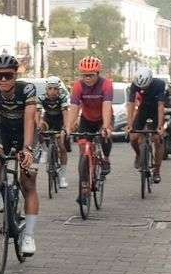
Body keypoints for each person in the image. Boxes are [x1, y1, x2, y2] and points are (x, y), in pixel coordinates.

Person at [0, 52, 40, 255]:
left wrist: (27, 150)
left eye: (8, 76)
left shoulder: (27, 89)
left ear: (15, 75)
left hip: (26, 133)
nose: (3, 80)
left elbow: (29, 121)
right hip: (3, 130)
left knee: (28, 182)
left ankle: (28, 235)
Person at [65, 55, 115, 191]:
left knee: (106, 134)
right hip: (87, 118)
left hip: (103, 117)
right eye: (84, 75)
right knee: (83, 147)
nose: (87, 78)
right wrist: (69, 127)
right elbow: (74, 108)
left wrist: (105, 126)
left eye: (91, 75)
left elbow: (106, 105)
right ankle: (85, 182)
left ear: (98, 74)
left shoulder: (106, 85)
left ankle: (106, 159)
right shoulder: (78, 86)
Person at [128, 68, 167, 179]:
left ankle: (157, 170)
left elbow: (160, 106)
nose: (142, 89)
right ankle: (139, 154)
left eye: (145, 86)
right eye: (141, 87)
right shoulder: (135, 85)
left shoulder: (159, 84)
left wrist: (160, 126)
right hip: (143, 110)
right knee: (132, 137)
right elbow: (130, 104)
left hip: (155, 111)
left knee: (157, 139)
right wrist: (129, 124)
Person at [39, 75, 69, 190]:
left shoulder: (63, 97)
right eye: (50, 88)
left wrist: (65, 128)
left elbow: (66, 114)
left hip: (59, 121)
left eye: (55, 89)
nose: (53, 91)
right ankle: (45, 150)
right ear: (46, 89)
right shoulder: (41, 98)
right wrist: (38, 125)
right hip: (48, 120)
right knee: (39, 126)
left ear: (59, 90)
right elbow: (37, 115)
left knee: (61, 146)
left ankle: (63, 176)